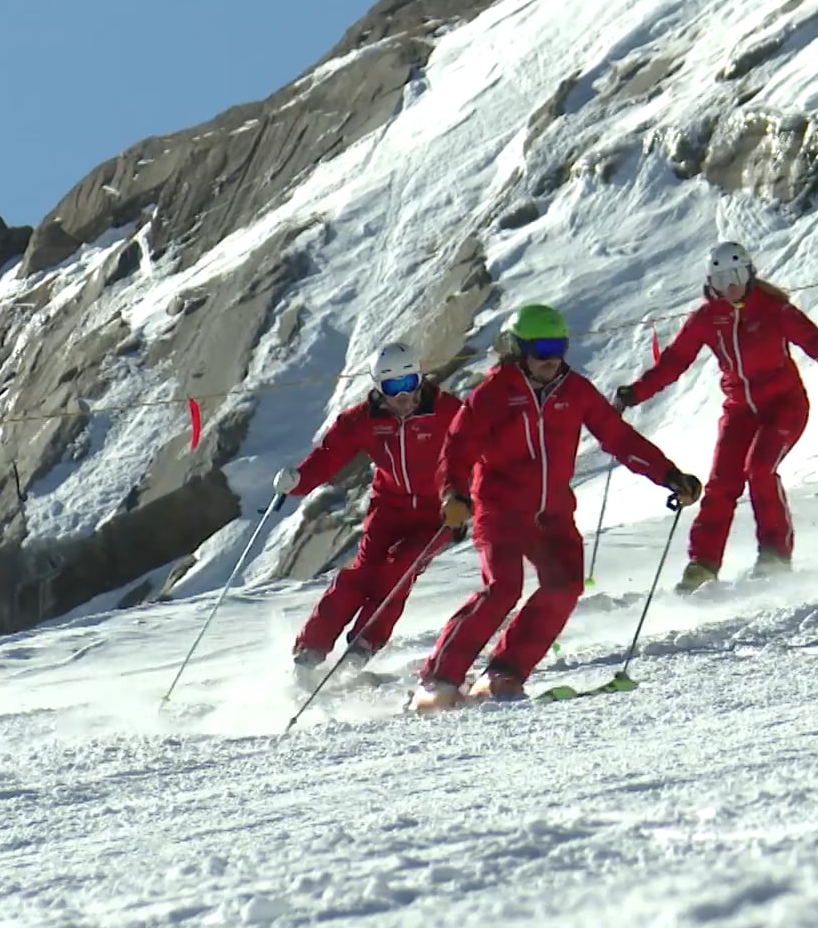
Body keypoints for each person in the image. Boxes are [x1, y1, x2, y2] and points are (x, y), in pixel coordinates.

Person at [409, 304, 703, 712]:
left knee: (565, 585)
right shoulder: (494, 395)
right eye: (541, 348)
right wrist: (452, 495)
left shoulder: (574, 390)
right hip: (501, 508)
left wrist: (670, 476)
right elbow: (457, 449)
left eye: (559, 347)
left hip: (552, 512)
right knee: (503, 587)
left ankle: (503, 672)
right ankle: (437, 679)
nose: (552, 359)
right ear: (516, 350)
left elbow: (619, 437)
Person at [614, 241, 818, 593]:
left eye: (738, 275)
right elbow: (674, 361)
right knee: (722, 482)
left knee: (759, 469)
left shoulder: (773, 309)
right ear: (711, 282)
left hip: (784, 406)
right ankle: (702, 565)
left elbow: (810, 337)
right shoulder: (707, 319)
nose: (732, 285)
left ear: (750, 274)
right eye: (722, 278)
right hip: (740, 411)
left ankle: (775, 556)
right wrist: (635, 393)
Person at [271, 342, 461, 680]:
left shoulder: (447, 411)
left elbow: (477, 447)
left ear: (420, 378)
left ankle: (362, 646)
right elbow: (329, 455)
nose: (403, 395)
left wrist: (469, 497)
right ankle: (309, 651)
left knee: (399, 568)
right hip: (389, 507)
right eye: (392, 387)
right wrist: (297, 481)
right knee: (360, 573)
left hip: (438, 512)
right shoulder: (363, 420)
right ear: (378, 387)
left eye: (409, 383)